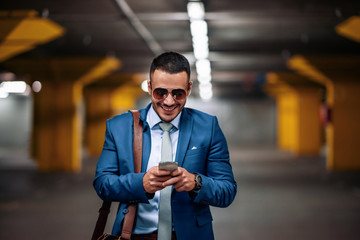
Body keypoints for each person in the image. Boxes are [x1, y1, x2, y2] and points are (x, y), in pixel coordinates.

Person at [93, 51, 237, 240]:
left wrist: (196, 183)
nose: (169, 101)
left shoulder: (208, 127)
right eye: (160, 92)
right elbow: (102, 183)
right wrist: (141, 183)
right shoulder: (119, 127)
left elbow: (227, 191)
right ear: (149, 87)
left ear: (189, 88)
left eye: (178, 93)